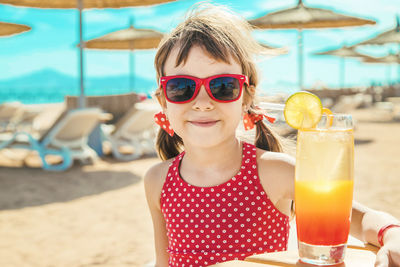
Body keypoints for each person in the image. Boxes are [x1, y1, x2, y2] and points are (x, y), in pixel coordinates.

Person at [144, 4, 400, 267]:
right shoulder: (157, 181)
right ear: (163, 101)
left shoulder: (275, 171)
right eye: (181, 87)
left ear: (246, 97)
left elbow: (360, 218)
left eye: (222, 86)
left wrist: (391, 234)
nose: (202, 102)